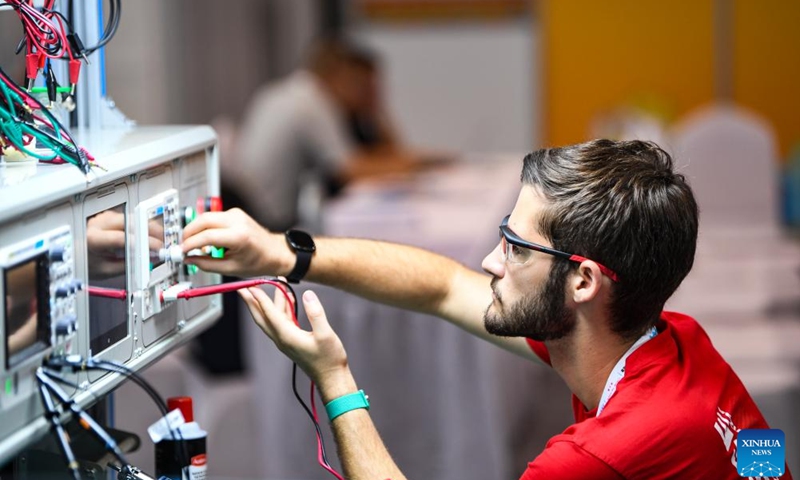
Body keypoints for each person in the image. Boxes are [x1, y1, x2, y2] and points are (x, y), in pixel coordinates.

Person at [181, 139, 793, 479]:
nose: (494, 262)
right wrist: (277, 251)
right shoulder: (671, 338)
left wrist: (335, 380)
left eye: (518, 247)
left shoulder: (598, 454)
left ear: (583, 281)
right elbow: (442, 286)